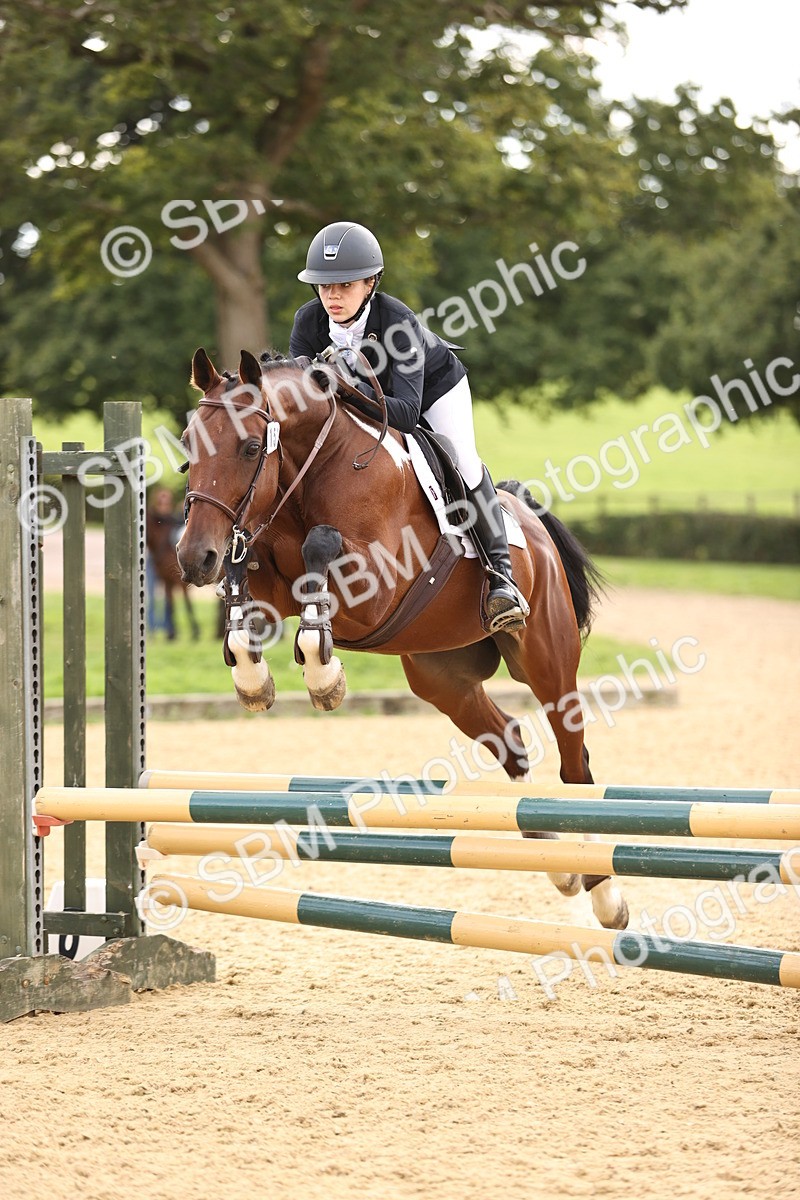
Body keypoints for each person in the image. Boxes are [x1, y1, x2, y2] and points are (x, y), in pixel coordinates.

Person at [289, 220, 528, 635]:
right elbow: (302, 399)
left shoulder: (398, 323)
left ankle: (501, 576)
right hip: (365, 400)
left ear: (371, 283)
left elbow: (405, 415)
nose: (333, 295)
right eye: (325, 286)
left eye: (345, 285)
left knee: (462, 460)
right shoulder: (307, 323)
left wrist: (345, 385)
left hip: (431, 391)